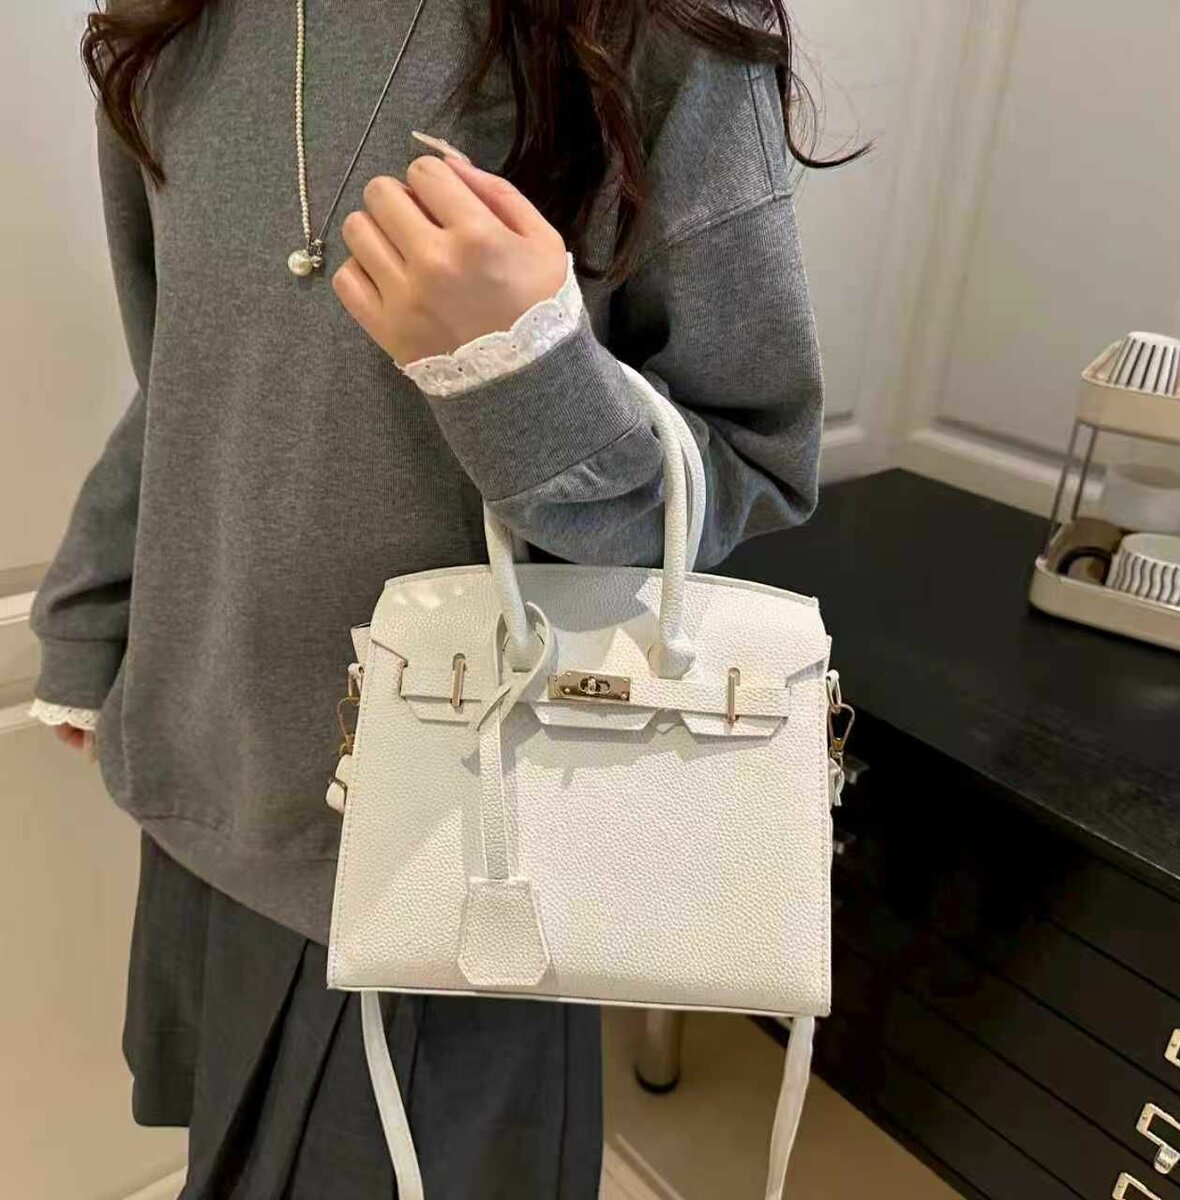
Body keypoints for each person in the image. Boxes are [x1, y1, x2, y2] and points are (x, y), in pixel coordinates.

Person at [29, 1, 860, 1195]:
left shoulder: (652, 31)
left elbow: (747, 470)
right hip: (204, 779)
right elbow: (185, 377)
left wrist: (521, 373)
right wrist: (93, 615)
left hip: (465, 842)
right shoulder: (174, 23)